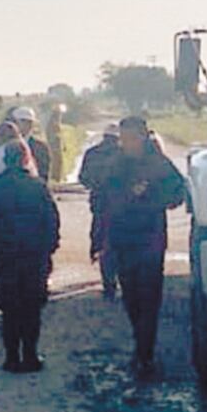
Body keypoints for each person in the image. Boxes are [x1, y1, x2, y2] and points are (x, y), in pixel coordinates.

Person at [100, 116, 187, 377]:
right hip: (122, 239)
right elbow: (103, 194)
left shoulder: (159, 164)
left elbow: (177, 195)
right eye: (123, 139)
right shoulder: (115, 163)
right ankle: (140, 344)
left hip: (150, 239)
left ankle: (145, 353)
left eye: (132, 138)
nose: (127, 144)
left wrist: (150, 196)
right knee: (131, 297)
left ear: (143, 136)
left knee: (149, 298)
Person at [0, 141, 60, 373]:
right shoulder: (38, 187)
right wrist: (49, 248)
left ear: (5, 161)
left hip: (6, 256)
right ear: (26, 159)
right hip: (34, 256)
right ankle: (31, 355)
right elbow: (52, 220)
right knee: (32, 307)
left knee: (10, 307)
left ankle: (12, 357)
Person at [78, 123, 121, 300]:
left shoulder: (92, 153)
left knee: (103, 241)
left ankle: (108, 283)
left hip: (100, 203)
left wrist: (96, 186)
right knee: (121, 241)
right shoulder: (124, 153)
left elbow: (83, 178)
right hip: (123, 205)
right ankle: (121, 279)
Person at [10, 107, 51, 185]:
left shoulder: (41, 147)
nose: (26, 125)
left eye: (29, 122)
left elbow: (44, 173)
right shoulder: (5, 144)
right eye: (22, 121)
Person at [45, 105, 65, 183]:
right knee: (55, 161)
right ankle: (55, 178)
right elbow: (50, 133)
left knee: (59, 161)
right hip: (54, 145)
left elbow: (60, 134)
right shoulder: (52, 122)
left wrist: (63, 144)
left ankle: (58, 177)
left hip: (57, 144)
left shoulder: (57, 122)